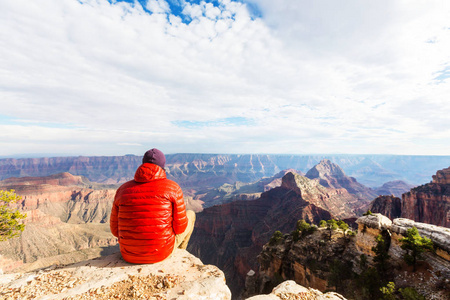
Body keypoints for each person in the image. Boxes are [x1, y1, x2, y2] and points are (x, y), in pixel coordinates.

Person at [110, 148, 195, 263]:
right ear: (163, 166)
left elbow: (115, 231)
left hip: (128, 254)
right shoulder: (173, 188)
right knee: (191, 214)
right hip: (161, 254)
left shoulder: (123, 189)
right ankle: (178, 254)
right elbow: (180, 228)